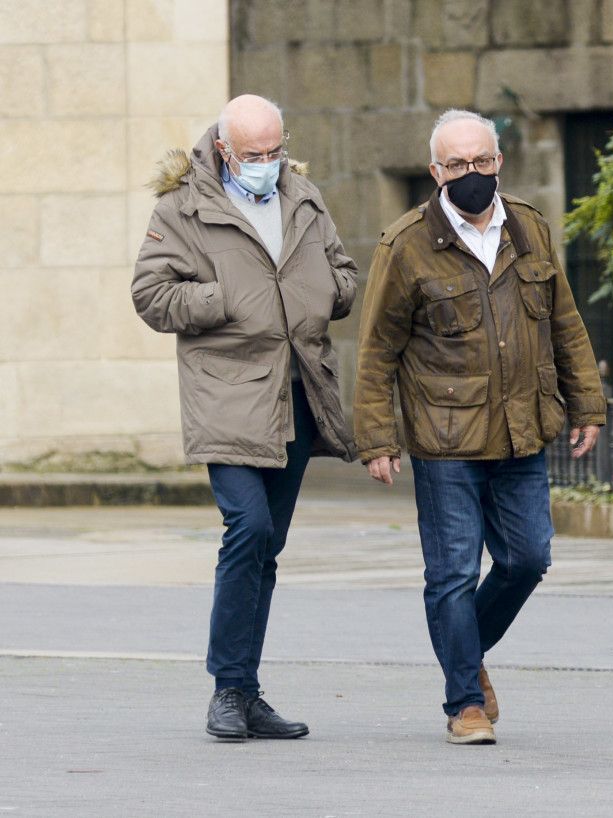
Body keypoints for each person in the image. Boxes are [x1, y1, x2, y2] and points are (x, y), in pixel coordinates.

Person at [353, 109, 606, 745]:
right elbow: (377, 349)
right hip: (444, 439)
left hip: (522, 427)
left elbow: (564, 322)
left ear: (499, 161)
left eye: (483, 161)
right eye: (459, 165)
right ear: (437, 172)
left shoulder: (528, 226)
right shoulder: (405, 244)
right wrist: (376, 438)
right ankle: (464, 700)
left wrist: (588, 403)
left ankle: (465, 651)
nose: (474, 174)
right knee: (453, 573)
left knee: (528, 558)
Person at [131, 94, 358, 741]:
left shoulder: (304, 197)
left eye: (274, 151)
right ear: (224, 149)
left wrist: (327, 292)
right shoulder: (182, 209)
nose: (266, 164)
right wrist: (228, 297)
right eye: (253, 154)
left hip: (296, 397)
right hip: (227, 395)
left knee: (267, 548)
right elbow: (151, 294)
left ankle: (247, 691)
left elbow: (341, 275)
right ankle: (227, 691)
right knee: (248, 527)